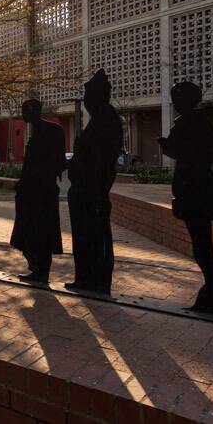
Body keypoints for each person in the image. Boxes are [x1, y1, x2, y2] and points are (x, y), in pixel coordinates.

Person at [159, 82, 213, 315]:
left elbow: (194, 154)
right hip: (195, 190)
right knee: (201, 243)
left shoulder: (191, 123)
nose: (175, 104)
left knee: (202, 244)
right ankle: (211, 289)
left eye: (177, 100)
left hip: (195, 192)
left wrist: (168, 147)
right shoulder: (199, 123)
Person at [66, 69, 123, 295]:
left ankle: (96, 280)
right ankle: (86, 278)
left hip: (92, 192)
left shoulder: (106, 120)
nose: (86, 102)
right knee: (84, 237)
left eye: (88, 96)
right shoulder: (99, 118)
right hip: (84, 191)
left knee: (93, 237)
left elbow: (101, 160)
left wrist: (96, 187)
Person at [10, 100, 67, 284]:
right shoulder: (36, 131)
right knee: (29, 232)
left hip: (42, 192)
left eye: (25, 111)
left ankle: (41, 271)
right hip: (31, 192)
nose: (23, 115)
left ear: (34, 111)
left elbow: (55, 162)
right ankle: (36, 268)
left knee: (41, 232)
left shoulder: (52, 130)